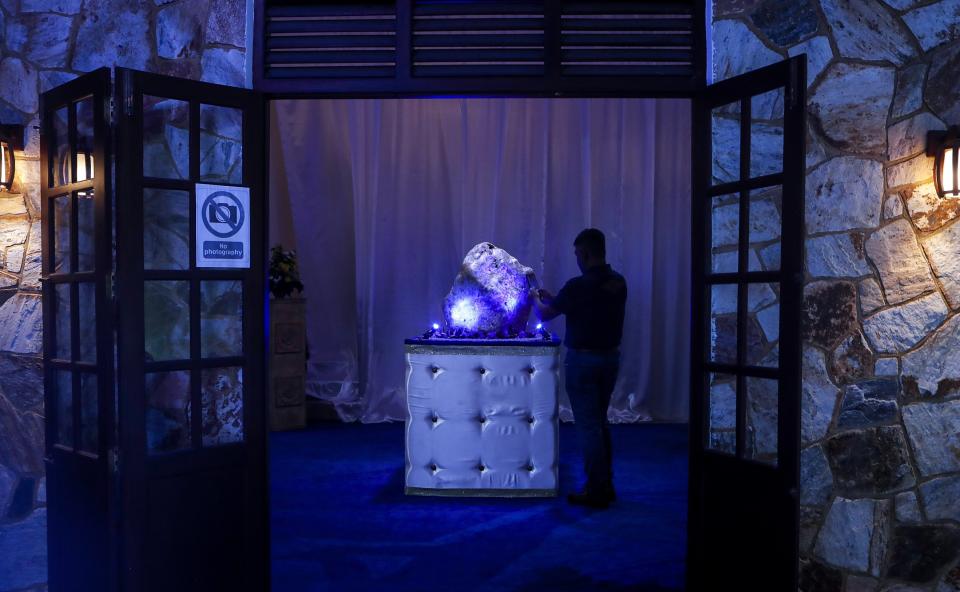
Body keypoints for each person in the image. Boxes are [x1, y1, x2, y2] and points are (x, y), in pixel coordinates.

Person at [530, 228, 627, 509]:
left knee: (588, 428)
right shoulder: (618, 283)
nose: (576, 259)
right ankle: (605, 484)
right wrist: (554, 298)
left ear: (584, 253)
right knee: (600, 422)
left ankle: (596, 490)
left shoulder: (577, 286)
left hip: (583, 363)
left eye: (576, 254)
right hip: (610, 360)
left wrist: (535, 298)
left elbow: (544, 315)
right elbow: (583, 305)